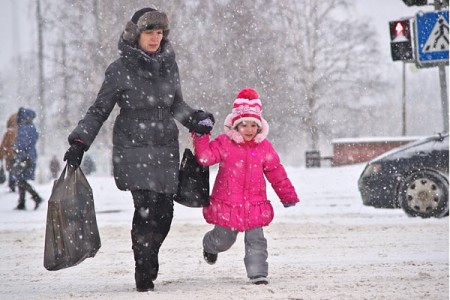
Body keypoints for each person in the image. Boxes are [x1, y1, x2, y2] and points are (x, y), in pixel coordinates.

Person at [63, 7, 214, 292]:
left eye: (159, 32)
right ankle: (143, 268)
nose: (155, 38)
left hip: (165, 147)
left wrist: (194, 118)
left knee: (165, 213)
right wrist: (79, 142)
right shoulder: (119, 69)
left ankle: (150, 255)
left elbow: (176, 105)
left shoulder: (170, 64)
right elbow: (99, 110)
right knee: (145, 210)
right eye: (149, 32)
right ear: (136, 34)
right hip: (133, 148)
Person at [193, 88, 299, 285]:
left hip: (254, 204)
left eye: (253, 125)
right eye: (244, 125)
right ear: (235, 126)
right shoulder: (224, 143)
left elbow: (277, 173)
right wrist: (201, 135)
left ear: (259, 127)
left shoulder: (264, 147)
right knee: (224, 239)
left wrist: (288, 195)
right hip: (228, 204)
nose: (249, 129)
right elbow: (205, 157)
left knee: (256, 241)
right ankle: (210, 246)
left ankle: (258, 273)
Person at [13, 108, 43, 210]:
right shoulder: (31, 127)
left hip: (25, 157)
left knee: (20, 179)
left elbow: (22, 143)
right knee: (21, 179)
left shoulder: (24, 128)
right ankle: (22, 202)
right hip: (30, 156)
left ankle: (35, 197)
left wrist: (16, 149)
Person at [0, 113, 18, 192]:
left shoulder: (9, 132)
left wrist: (1, 155)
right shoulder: (20, 131)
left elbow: (4, 144)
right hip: (17, 155)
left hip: (10, 155)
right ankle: (14, 183)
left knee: (12, 170)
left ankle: (12, 184)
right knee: (15, 169)